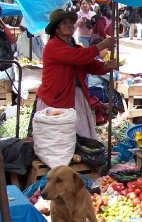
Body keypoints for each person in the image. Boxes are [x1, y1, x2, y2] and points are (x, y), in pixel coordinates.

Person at [34, 9, 117, 140]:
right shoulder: (52, 46)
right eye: (64, 23)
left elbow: (88, 64)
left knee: (78, 137)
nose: (69, 25)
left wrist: (106, 66)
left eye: (71, 22)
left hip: (75, 97)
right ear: (56, 29)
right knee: (58, 138)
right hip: (56, 98)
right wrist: (101, 46)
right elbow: (77, 57)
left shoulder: (75, 47)